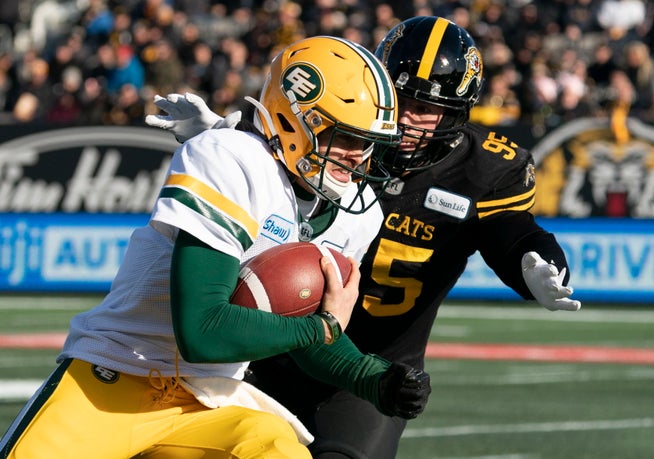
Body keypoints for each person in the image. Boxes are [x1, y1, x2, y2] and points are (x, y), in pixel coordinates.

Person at [147, 16, 581, 459]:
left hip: (369, 362)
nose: (412, 119)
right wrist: (227, 138)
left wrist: (533, 258)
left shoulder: (484, 170)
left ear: (457, 111)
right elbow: (278, 155)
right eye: (405, 100)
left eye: (430, 109)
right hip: (273, 340)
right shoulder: (336, 137)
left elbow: (512, 232)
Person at [0, 35, 432, 459]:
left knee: (278, 451)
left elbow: (310, 332)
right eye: (349, 138)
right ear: (297, 121)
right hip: (115, 377)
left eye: (370, 143)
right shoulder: (231, 159)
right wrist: (321, 328)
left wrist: (371, 377)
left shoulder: (360, 214)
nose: (360, 157)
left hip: (208, 398)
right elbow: (203, 330)